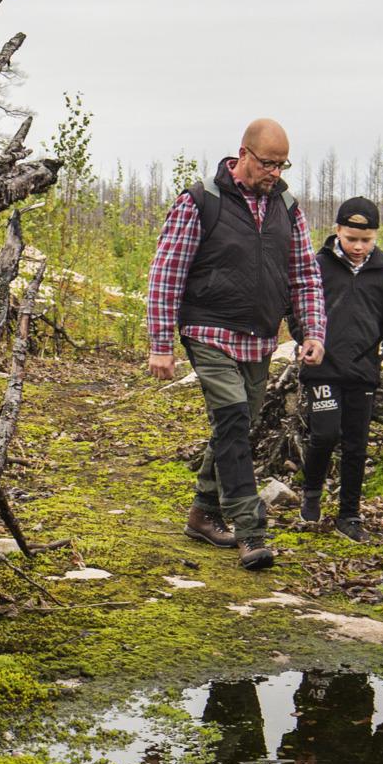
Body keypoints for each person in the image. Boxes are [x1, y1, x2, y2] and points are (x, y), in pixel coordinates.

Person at [146, 119, 327, 570]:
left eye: (283, 164)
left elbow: (304, 275)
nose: (275, 172)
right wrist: (160, 344)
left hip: (260, 337)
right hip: (209, 330)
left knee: (237, 427)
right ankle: (251, 532)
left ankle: (202, 515)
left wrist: (313, 332)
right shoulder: (200, 200)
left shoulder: (287, 205)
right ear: (243, 153)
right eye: (268, 163)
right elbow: (166, 276)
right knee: (230, 418)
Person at [299, 197, 383, 541]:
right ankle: (312, 491)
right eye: (352, 239)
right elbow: (299, 308)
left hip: (362, 371)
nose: (359, 246)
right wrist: (305, 337)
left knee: (356, 445)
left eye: (366, 240)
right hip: (322, 368)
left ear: (376, 236)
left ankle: (349, 515)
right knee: (324, 434)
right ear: (337, 231)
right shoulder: (317, 266)